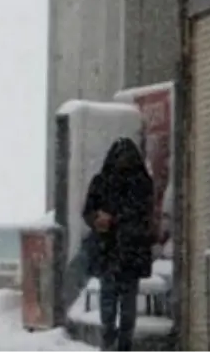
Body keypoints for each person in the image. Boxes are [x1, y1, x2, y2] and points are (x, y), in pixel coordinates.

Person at [81, 137, 154, 352]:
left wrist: (111, 219)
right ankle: (113, 343)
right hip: (118, 251)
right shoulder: (104, 182)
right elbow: (87, 211)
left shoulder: (139, 184)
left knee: (119, 304)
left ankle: (119, 344)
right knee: (114, 303)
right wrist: (96, 218)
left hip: (124, 251)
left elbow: (141, 214)